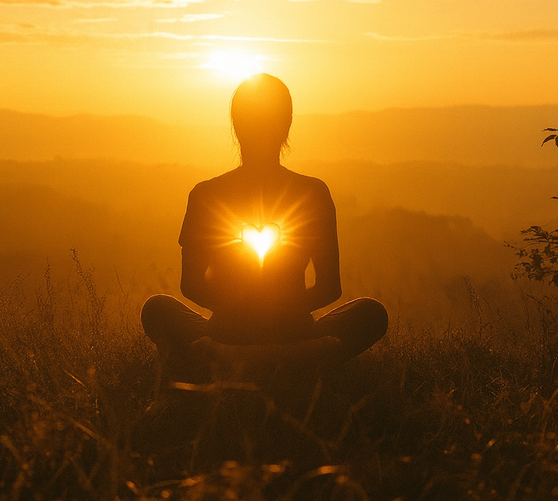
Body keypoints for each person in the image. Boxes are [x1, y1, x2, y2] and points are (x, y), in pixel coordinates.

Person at [141, 73, 388, 368]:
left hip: (227, 331)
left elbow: (191, 286)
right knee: (371, 314)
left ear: (236, 127)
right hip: (294, 331)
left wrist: (237, 311)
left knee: (157, 309)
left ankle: (219, 357)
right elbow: (330, 288)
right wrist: (282, 311)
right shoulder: (313, 192)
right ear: (286, 126)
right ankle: (304, 358)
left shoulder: (206, 194)